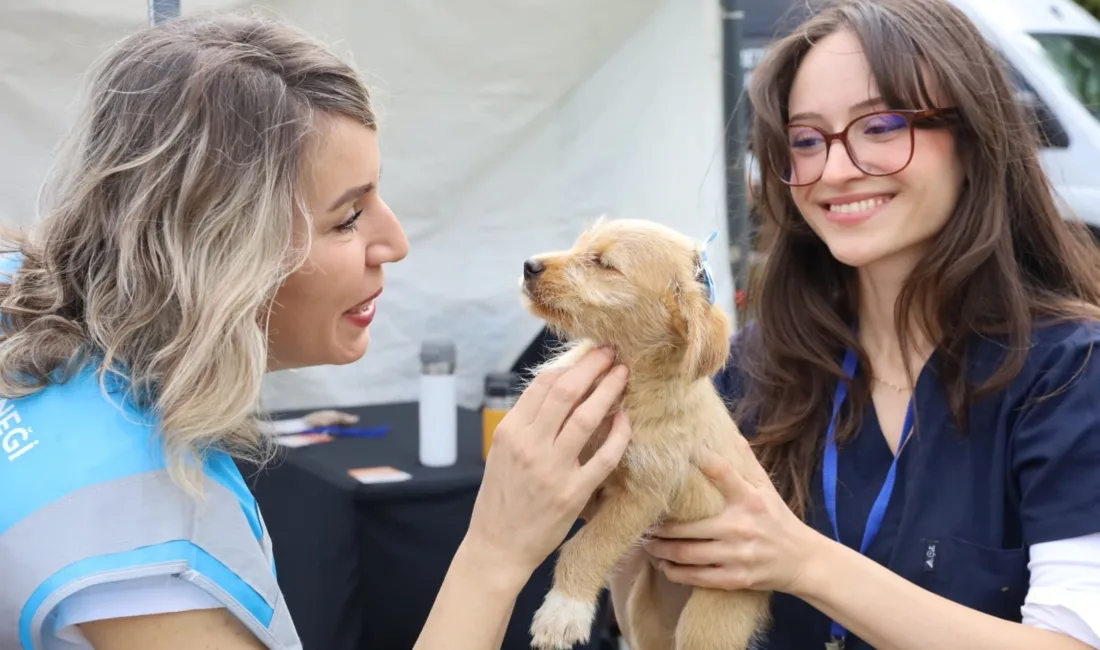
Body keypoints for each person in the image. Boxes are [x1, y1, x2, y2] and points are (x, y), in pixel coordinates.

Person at [0, 13, 631, 650]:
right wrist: (497, 551)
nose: (396, 243)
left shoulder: (18, 296)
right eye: (347, 218)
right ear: (221, 249)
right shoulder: (142, 564)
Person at [608, 0, 1100, 648]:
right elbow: (667, 627)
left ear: (975, 138)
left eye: (882, 126)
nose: (834, 171)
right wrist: (628, 505)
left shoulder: (1070, 375)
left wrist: (804, 562)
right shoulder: (747, 371)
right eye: (806, 141)